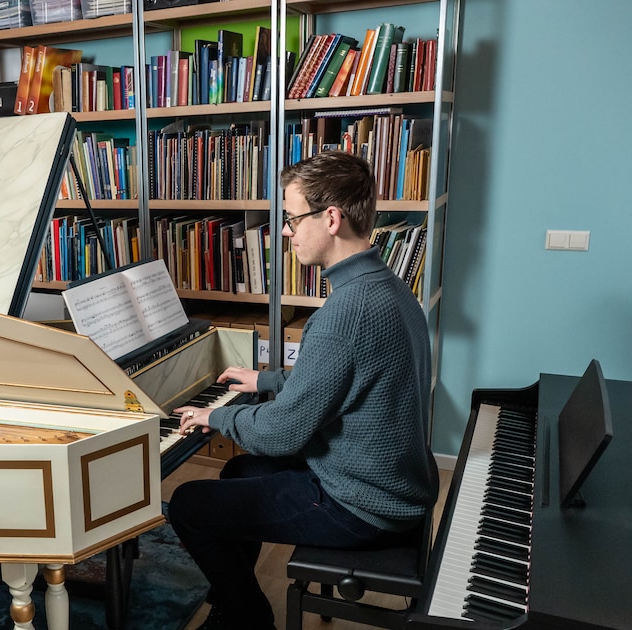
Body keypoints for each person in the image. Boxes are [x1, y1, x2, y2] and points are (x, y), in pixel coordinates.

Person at [168, 151, 437, 630]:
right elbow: (342, 380)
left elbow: (282, 434)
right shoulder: (391, 289)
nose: (286, 231)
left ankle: (248, 616)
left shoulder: (343, 313)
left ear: (330, 218)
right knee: (238, 471)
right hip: (393, 483)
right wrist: (265, 380)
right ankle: (232, 601)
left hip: (360, 505)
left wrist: (216, 417)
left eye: (291, 218)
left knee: (189, 504)